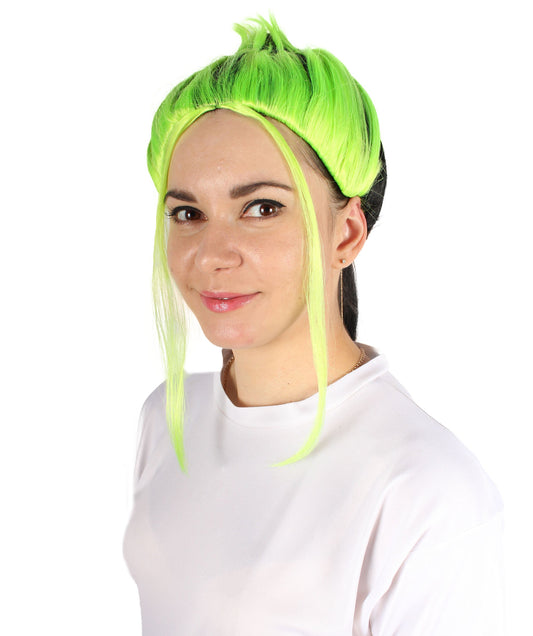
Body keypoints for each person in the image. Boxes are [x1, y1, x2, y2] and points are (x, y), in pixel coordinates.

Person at [123, 15, 505, 635]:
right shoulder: (166, 420)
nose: (211, 254)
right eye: (188, 212)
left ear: (346, 234)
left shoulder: (425, 490)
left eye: (261, 208)